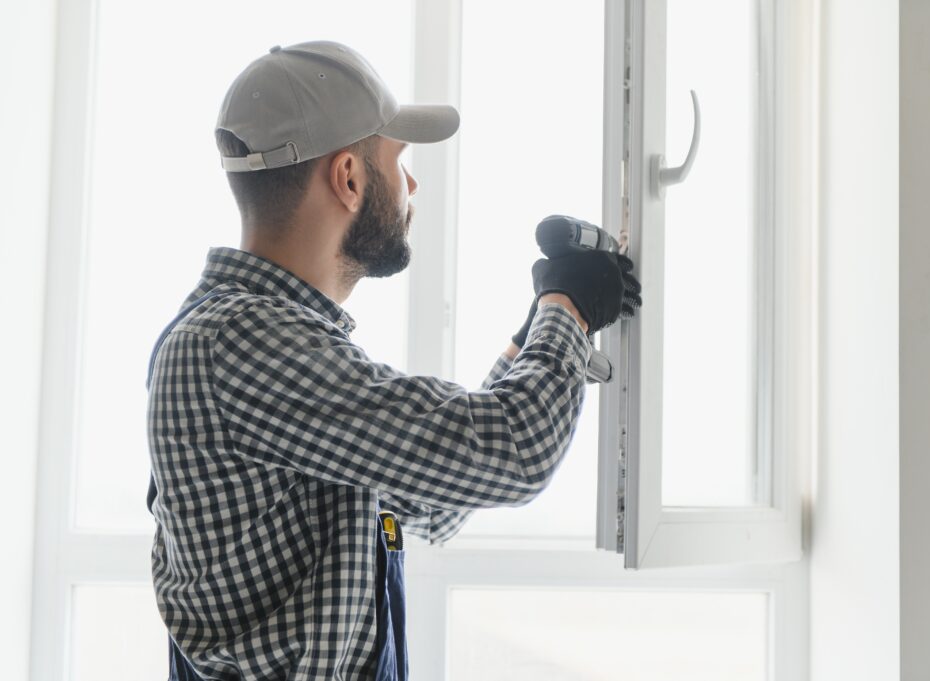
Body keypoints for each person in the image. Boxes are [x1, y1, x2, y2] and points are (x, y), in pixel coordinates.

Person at [146, 40, 641, 681]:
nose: (410, 185)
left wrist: (533, 334)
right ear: (349, 177)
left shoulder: (270, 346)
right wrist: (567, 309)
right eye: (398, 161)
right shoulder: (237, 342)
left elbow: (433, 504)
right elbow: (518, 452)